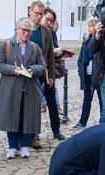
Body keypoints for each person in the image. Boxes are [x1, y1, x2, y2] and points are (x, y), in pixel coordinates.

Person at [0, 18, 46, 160]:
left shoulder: (35, 47)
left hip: (30, 89)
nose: (25, 33)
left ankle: (24, 146)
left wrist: (31, 69)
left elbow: (42, 67)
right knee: (11, 117)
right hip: (11, 88)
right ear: (16, 30)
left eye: (28, 31)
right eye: (23, 29)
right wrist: (14, 69)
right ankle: (12, 147)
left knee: (27, 117)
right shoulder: (6, 45)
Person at [28, 1, 64, 147]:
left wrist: (51, 77)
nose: (38, 16)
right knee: (34, 105)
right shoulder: (24, 28)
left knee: (51, 102)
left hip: (45, 72)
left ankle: (56, 130)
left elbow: (49, 55)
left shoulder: (46, 31)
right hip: (30, 73)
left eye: (40, 14)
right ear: (30, 12)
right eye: (36, 13)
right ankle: (33, 134)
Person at [73, 18, 100, 129]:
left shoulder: (98, 40)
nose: (88, 28)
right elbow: (80, 57)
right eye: (88, 26)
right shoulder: (86, 40)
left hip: (97, 74)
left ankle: (103, 122)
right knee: (87, 99)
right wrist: (80, 71)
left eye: (91, 26)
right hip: (87, 75)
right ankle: (82, 121)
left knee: (102, 99)